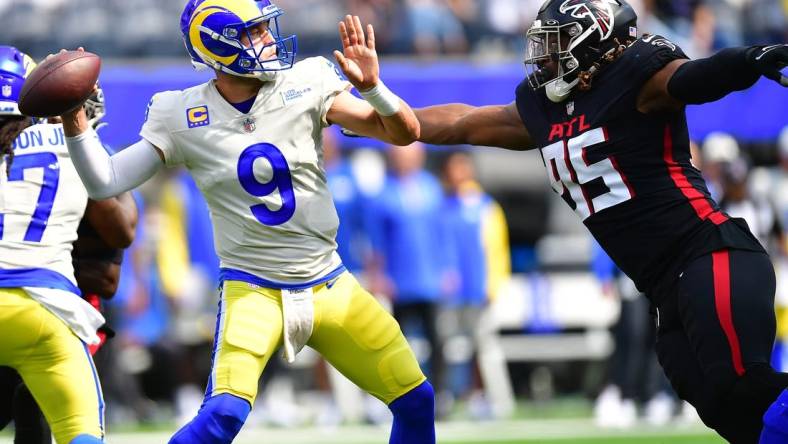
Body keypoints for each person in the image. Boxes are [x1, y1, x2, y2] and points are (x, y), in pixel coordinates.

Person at [58, 0, 435, 443]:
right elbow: (106, 182)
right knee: (221, 419)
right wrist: (74, 120)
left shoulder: (306, 82)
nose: (269, 40)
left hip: (328, 282)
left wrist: (374, 88)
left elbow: (404, 134)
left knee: (416, 399)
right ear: (219, 44)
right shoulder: (180, 113)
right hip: (253, 289)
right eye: (254, 32)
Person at [412, 0, 788, 440]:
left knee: (741, 386)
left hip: (709, 253)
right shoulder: (545, 109)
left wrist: (748, 58)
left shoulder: (638, 76)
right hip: (664, 286)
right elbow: (464, 121)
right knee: (727, 411)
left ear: (592, 42)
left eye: (557, 44)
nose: (544, 57)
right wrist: (383, 112)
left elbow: (694, 77)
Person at [0, 46, 136, 444]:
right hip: (46, 306)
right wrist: (78, 131)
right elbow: (121, 238)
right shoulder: (66, 143)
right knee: (78, 431)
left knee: (33, 415)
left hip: (45, 296)